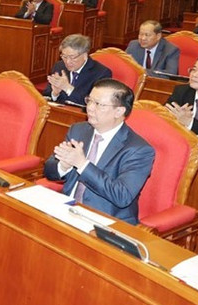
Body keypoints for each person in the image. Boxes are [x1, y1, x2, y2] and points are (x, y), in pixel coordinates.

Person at [44, 79, 154, 225]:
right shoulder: (79, 130)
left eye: (99, 104)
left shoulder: (138, 150)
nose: (90, 108)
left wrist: (82, 164)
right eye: (89, 100)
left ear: (119, 111)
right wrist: (63, 166)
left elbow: (122, 196)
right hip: (68, 210)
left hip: (107, 222)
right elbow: (49, 171)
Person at [44, 34, 112, 106]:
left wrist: (67, 88)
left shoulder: (101, 73)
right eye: (64, 56)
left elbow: (93, 104)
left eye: (72, 57)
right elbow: (46, 95)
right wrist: (55, 93)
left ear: (85, 55)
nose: (68, 61)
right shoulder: (59, 66)